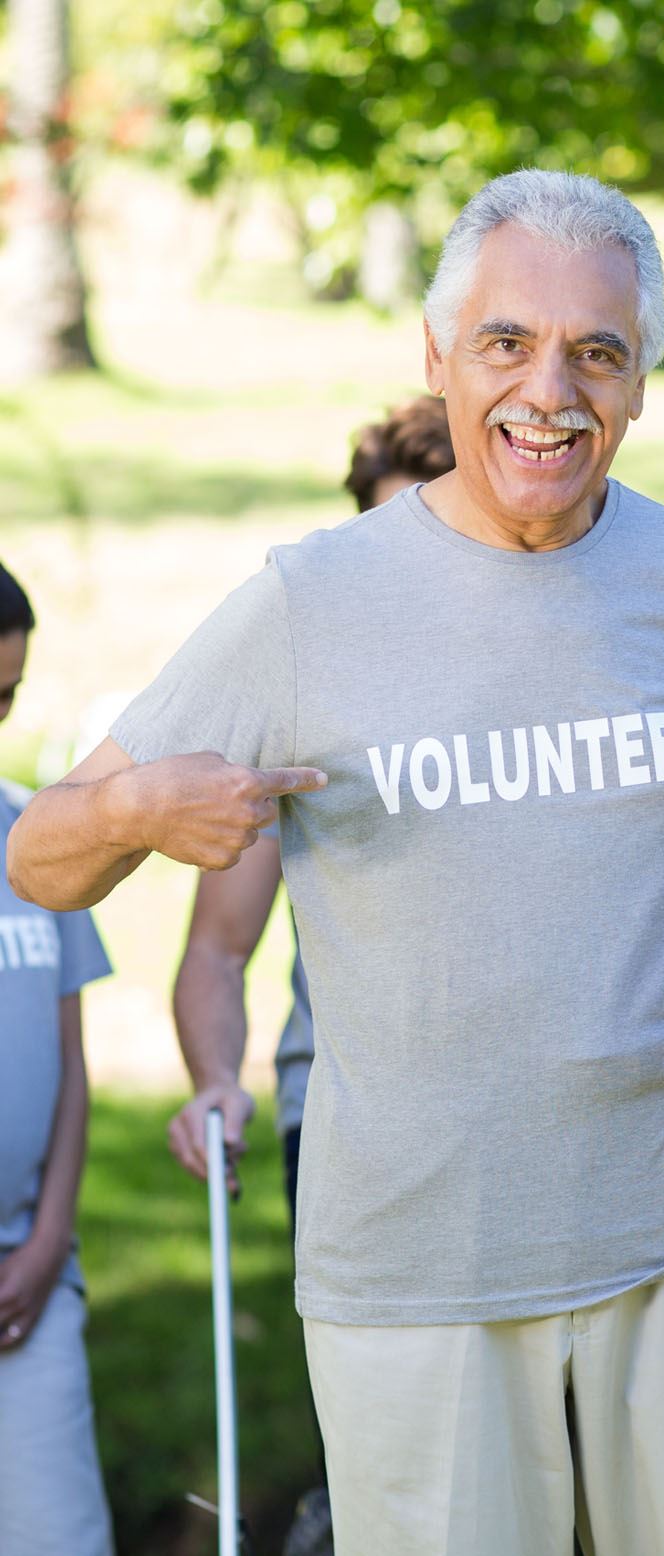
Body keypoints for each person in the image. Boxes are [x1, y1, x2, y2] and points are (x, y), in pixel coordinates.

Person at [6, 169, 664, 1556]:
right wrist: (138, 810)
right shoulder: (307, 606)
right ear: (437, 360)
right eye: (505, 342)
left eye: (596, 352)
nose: (549, 388)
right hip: (417, 1272)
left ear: (638, 385)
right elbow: (39, 859)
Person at [162, 394, 454, 1556]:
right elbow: (216, 948)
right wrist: (216, 1075)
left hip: (527, 1110)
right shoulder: (306, 703)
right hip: (337, 1109)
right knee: (391, 1437)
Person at [0, 562, 116, 1556]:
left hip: (27, 1281)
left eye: (4, 699)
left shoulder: (36, 835)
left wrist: (47, 1240)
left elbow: (72, 1067)